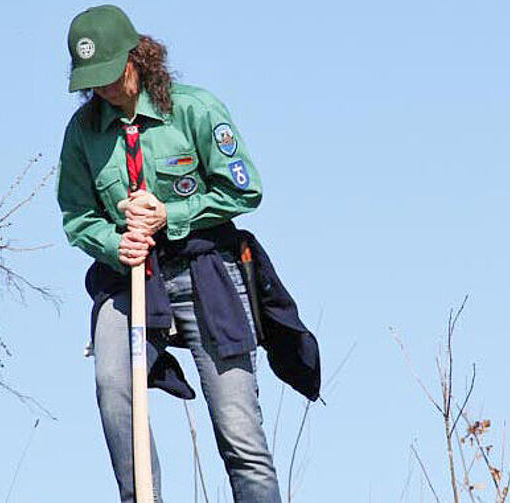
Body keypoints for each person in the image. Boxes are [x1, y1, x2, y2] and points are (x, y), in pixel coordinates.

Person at [56, 5, 318, 503]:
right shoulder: (82, 132)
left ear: (138, 57)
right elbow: (76, 215)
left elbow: (245, 192)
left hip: (208, 271)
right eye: (93, 81)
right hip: (128, 279)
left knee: (239, 434)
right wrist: (117, 244)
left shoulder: (195, 109)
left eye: (111, 74)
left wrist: (169, 216)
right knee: (113, 387)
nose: (104, 89)